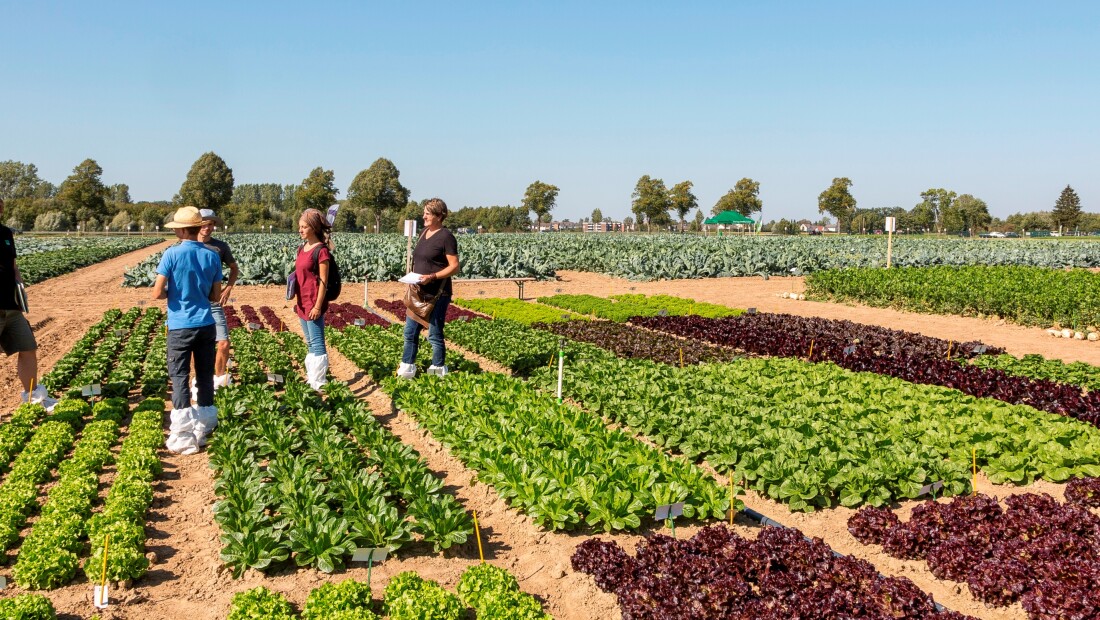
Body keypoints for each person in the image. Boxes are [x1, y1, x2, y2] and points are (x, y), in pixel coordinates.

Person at [154, 206, 222, 455]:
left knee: (180, 377)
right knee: (204, 376)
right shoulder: (212, 255)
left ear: (182, 230)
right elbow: (215, 295)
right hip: (205, 324)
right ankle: (205, 428)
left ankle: (183, 436)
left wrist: (176, 293)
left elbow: (156, 292)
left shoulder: (171, 254)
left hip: (180, 326)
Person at [0, 197, 56, 410]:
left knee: (28, 348)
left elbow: (13, 266)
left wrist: (20, 287)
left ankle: (33, 397)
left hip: (11, 305)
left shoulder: (6, 233)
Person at [398, 198, 460, 378]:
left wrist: (432, 276)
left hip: (437, 294)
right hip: (419, 292)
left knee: (434, 334)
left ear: (439, 216)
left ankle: (437, 370)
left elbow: (454, 266)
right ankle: (407, 368)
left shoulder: (446, 237)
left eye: (428, 213)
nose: (423, 216)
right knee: (410, 332)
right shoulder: (424, 232)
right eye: (424, 212)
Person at [197, 209, 238, 390]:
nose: (207, 227)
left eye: (211, 224)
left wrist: (228, 288)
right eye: (204, 223)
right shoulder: (187, 245)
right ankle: (197, 381)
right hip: (194, 303)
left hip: (213, 303)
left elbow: (234, 268)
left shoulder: (220, 247)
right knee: (194, 346)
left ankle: (219, 381)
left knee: (223, 343)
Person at [292, 208, 333, 390]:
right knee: (309, 342)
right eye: (299, 227)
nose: (300, 230)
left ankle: (319, 381)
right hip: (301, 302)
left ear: (314, 228)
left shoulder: (321, 251)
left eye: (304, 227)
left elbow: (323, 281)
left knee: (317, 342)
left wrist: (318, 306)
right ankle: (312, 378)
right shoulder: (302, 248)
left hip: (313, 303)